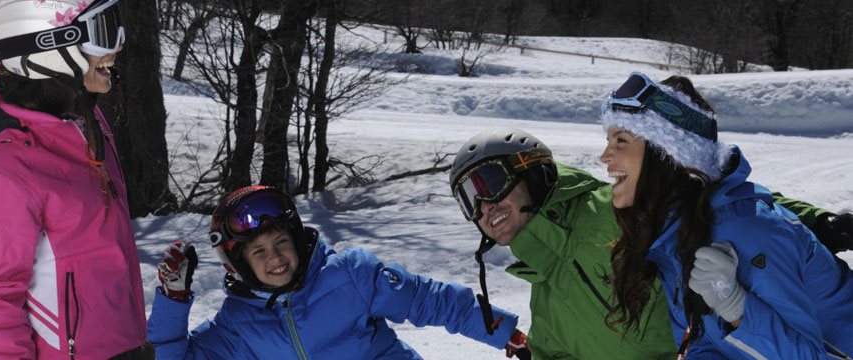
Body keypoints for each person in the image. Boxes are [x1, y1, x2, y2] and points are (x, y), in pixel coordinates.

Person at [447, 128, 852, 359]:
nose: (484, 205)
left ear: (532, 174)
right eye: (468, 198)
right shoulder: (545, 296)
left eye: (489, 184)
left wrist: (817, 220)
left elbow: (712, 198)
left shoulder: (609, 209)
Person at [598, 71, 853, 358]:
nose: (605, 156)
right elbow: (705, 341)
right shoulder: (674, 236)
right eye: (608, 140)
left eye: (621, 141)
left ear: (669, 156)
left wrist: (737, 308)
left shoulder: (748, 231)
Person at [0, 0, 152, 358]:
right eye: (102, 31)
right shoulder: (4, 169)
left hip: (127, 344)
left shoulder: (81, 118)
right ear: (47, 45)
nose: (118, 43)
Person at [147, 185, 532, 359]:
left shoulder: (350, 275)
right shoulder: (236, 326)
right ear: (239, 264)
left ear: (297, 239)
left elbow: (433, 300)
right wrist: (173, 300)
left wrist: (504, 333)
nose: (276, 258)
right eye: (259, 252)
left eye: (281, 242)